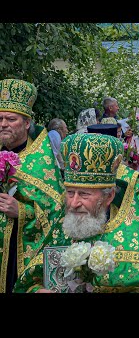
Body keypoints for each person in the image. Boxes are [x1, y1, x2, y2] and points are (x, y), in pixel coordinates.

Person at [14, 133, 139, 293]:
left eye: (84, 194)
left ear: (109, 196)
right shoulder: (63, 227)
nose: (73, 203)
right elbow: (30, 281)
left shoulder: (134, 236)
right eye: (70, 193)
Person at [0, 79, 64, 293]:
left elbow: (56, 213)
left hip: (20, 258)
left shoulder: (41, 161)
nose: (3, 124)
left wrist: (23, 211)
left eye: (11, 119)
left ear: (27, 123)